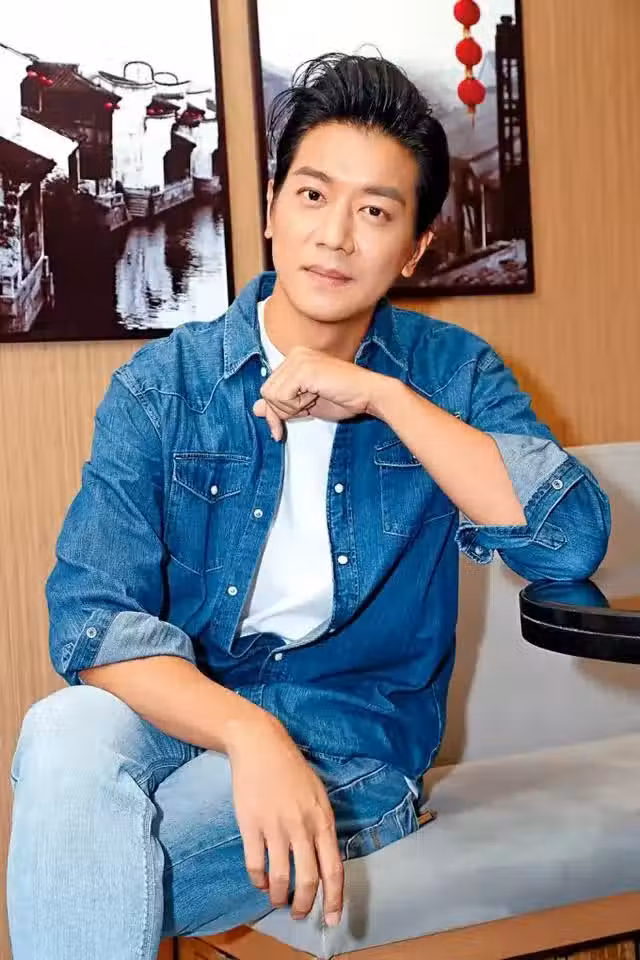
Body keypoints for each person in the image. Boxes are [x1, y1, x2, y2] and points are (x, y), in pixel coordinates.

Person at [6, 53, 610, 959]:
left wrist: (385, 398)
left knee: (98, 861)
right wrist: (248, 732)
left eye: (375, 212)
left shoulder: (452, 375)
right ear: (271, 208)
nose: (335, 237)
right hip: (192, 715)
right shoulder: (164, 386)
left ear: (414, 248)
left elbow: (568, 544)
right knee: (64, 726)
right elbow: (93, 620)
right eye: (314, 196)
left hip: (348, 746)